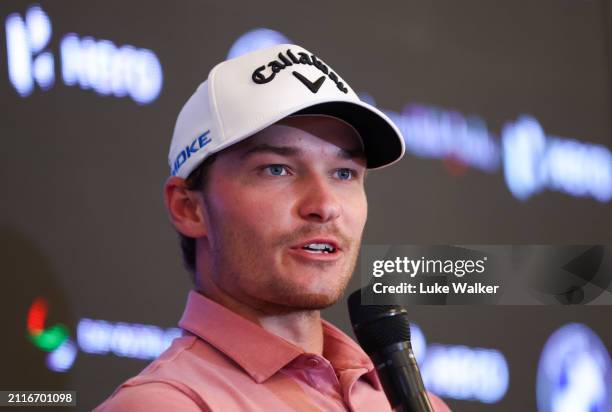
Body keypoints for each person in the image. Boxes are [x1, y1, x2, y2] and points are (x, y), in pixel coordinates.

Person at [95, 44, 450, 411]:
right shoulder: (162, 405)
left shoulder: (417, 404)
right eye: (277, 169)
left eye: (344, 174)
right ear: (189, 208)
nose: (325, 206)